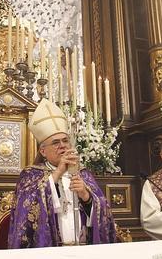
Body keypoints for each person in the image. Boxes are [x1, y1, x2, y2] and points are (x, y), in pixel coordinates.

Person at [8, 99, 116, 248]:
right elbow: (25, 212)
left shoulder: (83, 174)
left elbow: (104, 210)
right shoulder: (30, 175)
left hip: (84, 248)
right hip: (49, 251)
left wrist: (87, 197)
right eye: (55, 142)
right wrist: (58, 172)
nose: (62, 146)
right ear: (43, 151)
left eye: (65, 141)